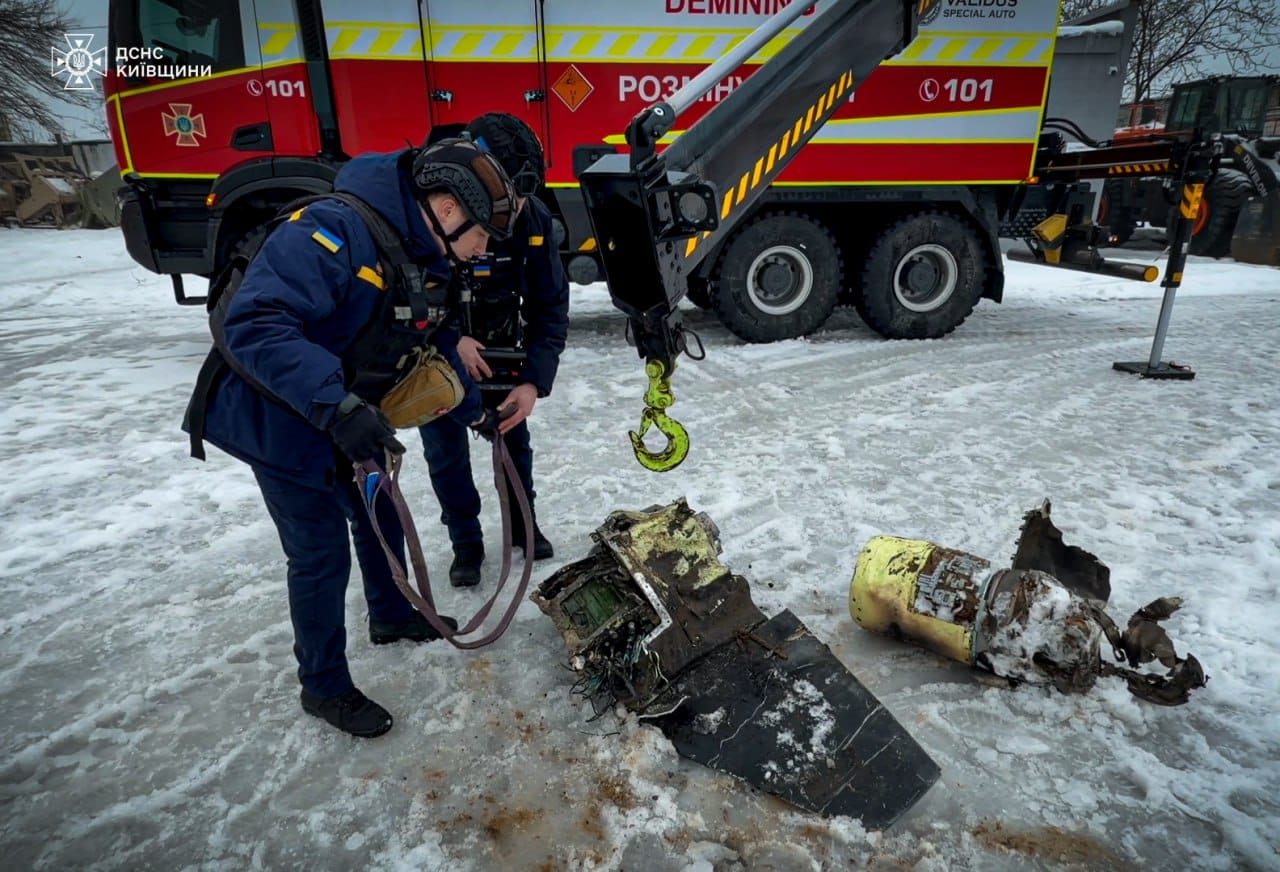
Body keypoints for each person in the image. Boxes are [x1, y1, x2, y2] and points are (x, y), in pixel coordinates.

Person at [185, 138, 519, 738]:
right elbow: (257, 325)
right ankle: (323, 686)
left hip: (343, 407)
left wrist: (475, 414)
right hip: (279, 413)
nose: (482, 249)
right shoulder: (331, 230)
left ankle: (390, 616)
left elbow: (431, 339)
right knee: (318, 553)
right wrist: (336, 407)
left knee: (377, 514)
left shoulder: (423, 254)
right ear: (447, 210)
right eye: (482, 235)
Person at [418, 114, 570, 589]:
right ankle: (466, 542)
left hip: (504, 349)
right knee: (445, 455)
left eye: (523, 198)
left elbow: (551, 307)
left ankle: (524, 525)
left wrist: (532, 381)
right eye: (511, 196)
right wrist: (449, 340)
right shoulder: (427, 213)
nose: (516, 208)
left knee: (513, 443)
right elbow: (405, 305)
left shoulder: (534, 221)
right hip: (439, 356)